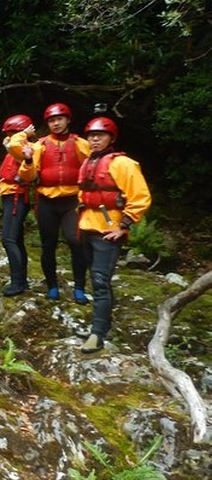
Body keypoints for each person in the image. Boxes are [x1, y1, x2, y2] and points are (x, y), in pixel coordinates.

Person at [76, 117, 151, 353]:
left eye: (100, 135)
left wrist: (124, 225)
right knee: (96, 279)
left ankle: (97, 335)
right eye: (91, 135)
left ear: (111, 138)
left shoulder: (123, 164)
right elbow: (84, 195)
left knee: (100, 281)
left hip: (108, 232)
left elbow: (140, 197)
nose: (94, 139)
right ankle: (101, 324)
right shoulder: (88, 162)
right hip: (88, 226)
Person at [13, 103, 91, 303]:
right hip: (47, 200)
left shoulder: (80, 143)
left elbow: (92, 164)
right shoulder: (40, 145)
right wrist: (28, 161)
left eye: (59, 119)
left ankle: (80, 287)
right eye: (51, 120)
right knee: (49, 244)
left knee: (76, 242)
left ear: (67, 120)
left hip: (72, 200)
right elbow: (27, 175)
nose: (55, 123)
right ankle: (53, 286)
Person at [0, 115, 35, 296]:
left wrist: (22, 135)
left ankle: (17, 282)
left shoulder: (26, 149)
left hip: (16, 197)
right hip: (10, 196)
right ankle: (22, 280)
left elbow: (14, 145)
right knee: (17, 240)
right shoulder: (14, 150)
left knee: (9, 239)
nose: (9, 137)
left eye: (13, 133)